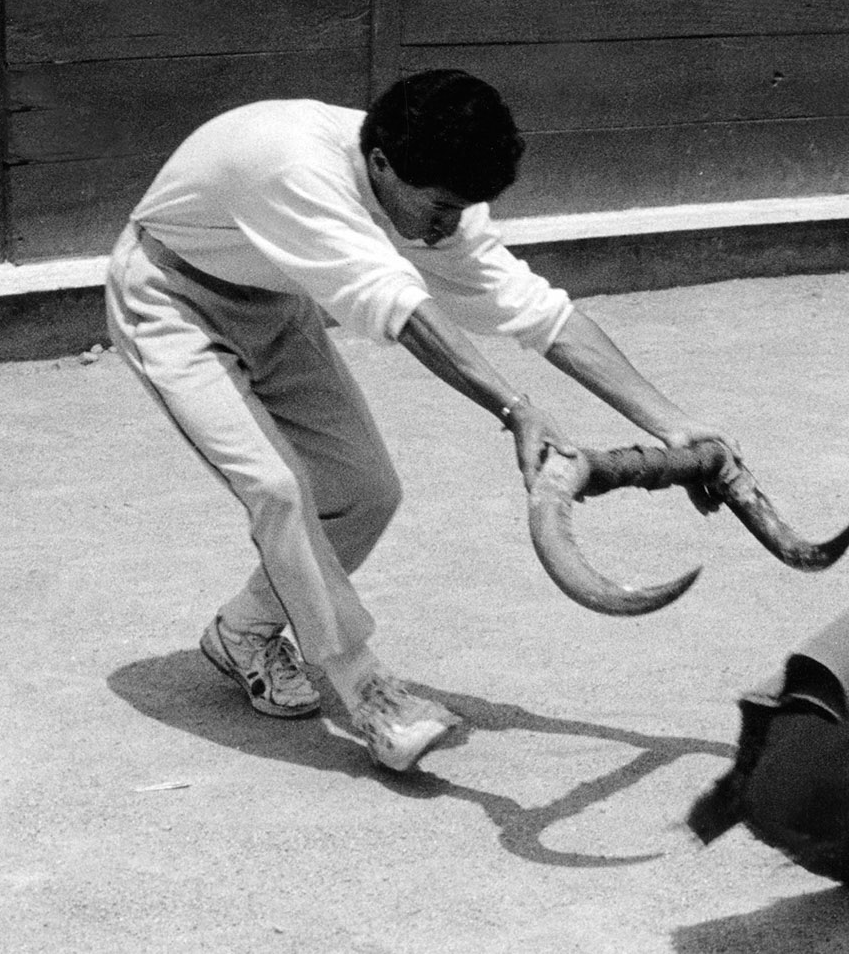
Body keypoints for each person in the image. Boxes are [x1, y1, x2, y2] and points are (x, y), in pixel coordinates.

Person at [104, 69, 734, 772]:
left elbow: (539, 312)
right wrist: (514, 407)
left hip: (276, 302)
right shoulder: (294, 167)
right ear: (380, 165)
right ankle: (367, 690)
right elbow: (405, 311)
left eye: (464, 208)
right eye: (439, 207)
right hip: (168, 298)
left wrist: (674, 424)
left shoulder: (434, 187)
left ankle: (244, 631)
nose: (449, 226)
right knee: (277, 488)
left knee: (366, 490)